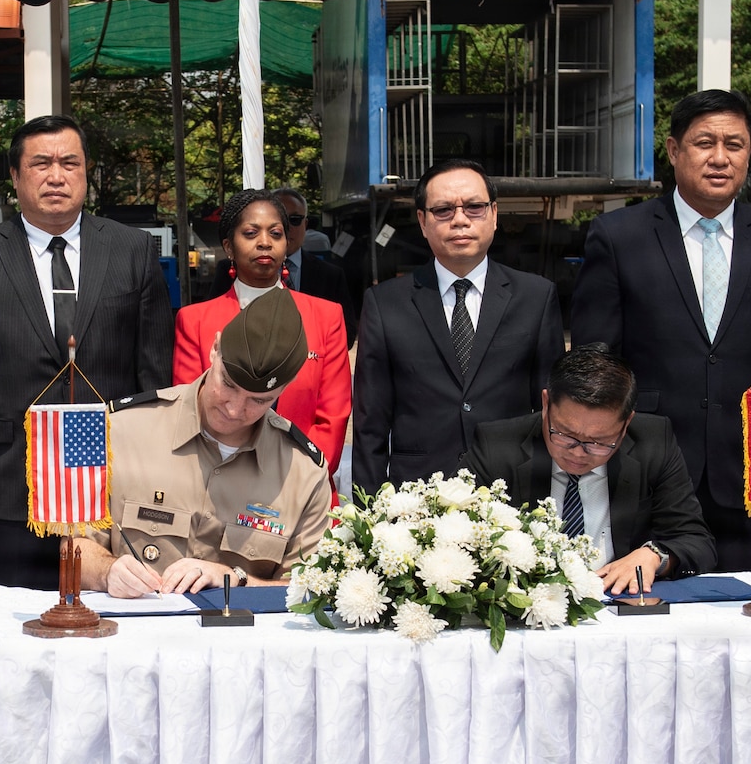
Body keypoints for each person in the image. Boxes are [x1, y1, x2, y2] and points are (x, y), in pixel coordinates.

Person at [569, 89, 751, 572]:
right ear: (674, 150)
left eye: (735, 144)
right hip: (647, 466)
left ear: (750, 151)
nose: (720, 158)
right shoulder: (619, 236)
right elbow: (596, 361)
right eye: (705, 143)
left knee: (750, 614)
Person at [0, 114, 173, 589]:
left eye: (69, 163)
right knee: (18, 621)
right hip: (8, 484)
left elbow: (153, 374)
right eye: (40, 164)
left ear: (87, 172)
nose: (56, 176)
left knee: (112, 616)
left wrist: (155, 476)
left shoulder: (132, 250)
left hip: (111, 479)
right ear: (16, 176)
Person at [78, 289, 333, 597]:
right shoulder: (122, 428)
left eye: (259, 400)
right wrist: (107, 571)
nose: (235, 409)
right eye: (227, 383)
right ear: (215, 349)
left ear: (283, 390)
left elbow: (310, 591)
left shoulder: (303, 473)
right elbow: (75, 546)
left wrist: (235, 580)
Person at [352, 157, 564, 496]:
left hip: (513, 494)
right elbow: (370, 423)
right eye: (444, 211)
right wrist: (368, 516)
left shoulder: (536, 297)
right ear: (422, 221)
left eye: (474, 207)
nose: (460, 220)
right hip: (416, 499)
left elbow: (552, 411)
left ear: (494, 214)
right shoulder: (384, 303)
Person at [462, 344, 716, 596]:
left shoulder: (652, 440)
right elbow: (458, 541)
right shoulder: (496, 445)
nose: (577, 452)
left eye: (598, 442)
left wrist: (654, 556)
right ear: (546, 404)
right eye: (564, 434)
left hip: (617, 600)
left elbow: (697, 542)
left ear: (626, 423)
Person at [174, 189, 351, 476]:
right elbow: (191, 412)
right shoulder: (194, 321)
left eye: (276, 233)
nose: (265, 243)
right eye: (251, 233)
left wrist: (299, 481)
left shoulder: (326, 317)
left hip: (302, 486)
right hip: (220, 485)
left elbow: (333, 417)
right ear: (229, 247)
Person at [273, 187, 359, 348]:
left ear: (305, 224)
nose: (286, 227)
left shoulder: (331, 276)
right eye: (279, 218)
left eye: (294, 219)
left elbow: (347, 333)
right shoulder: (237, 272)